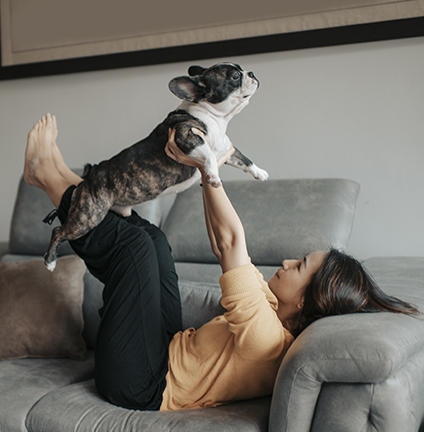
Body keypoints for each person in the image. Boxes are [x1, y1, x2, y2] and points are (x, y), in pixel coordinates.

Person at [24, 114, 418, 412]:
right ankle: (61, 178)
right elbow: (220, 241)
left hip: (140, 385)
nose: (285, 261)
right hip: (162, 350)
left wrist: (207, 168)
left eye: (299, 266)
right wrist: (203, 173)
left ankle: (47, 177)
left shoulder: (265, 338)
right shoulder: (269, 310)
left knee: (133, 250)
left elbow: (231, 242)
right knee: (154, 241)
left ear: (306, 303)